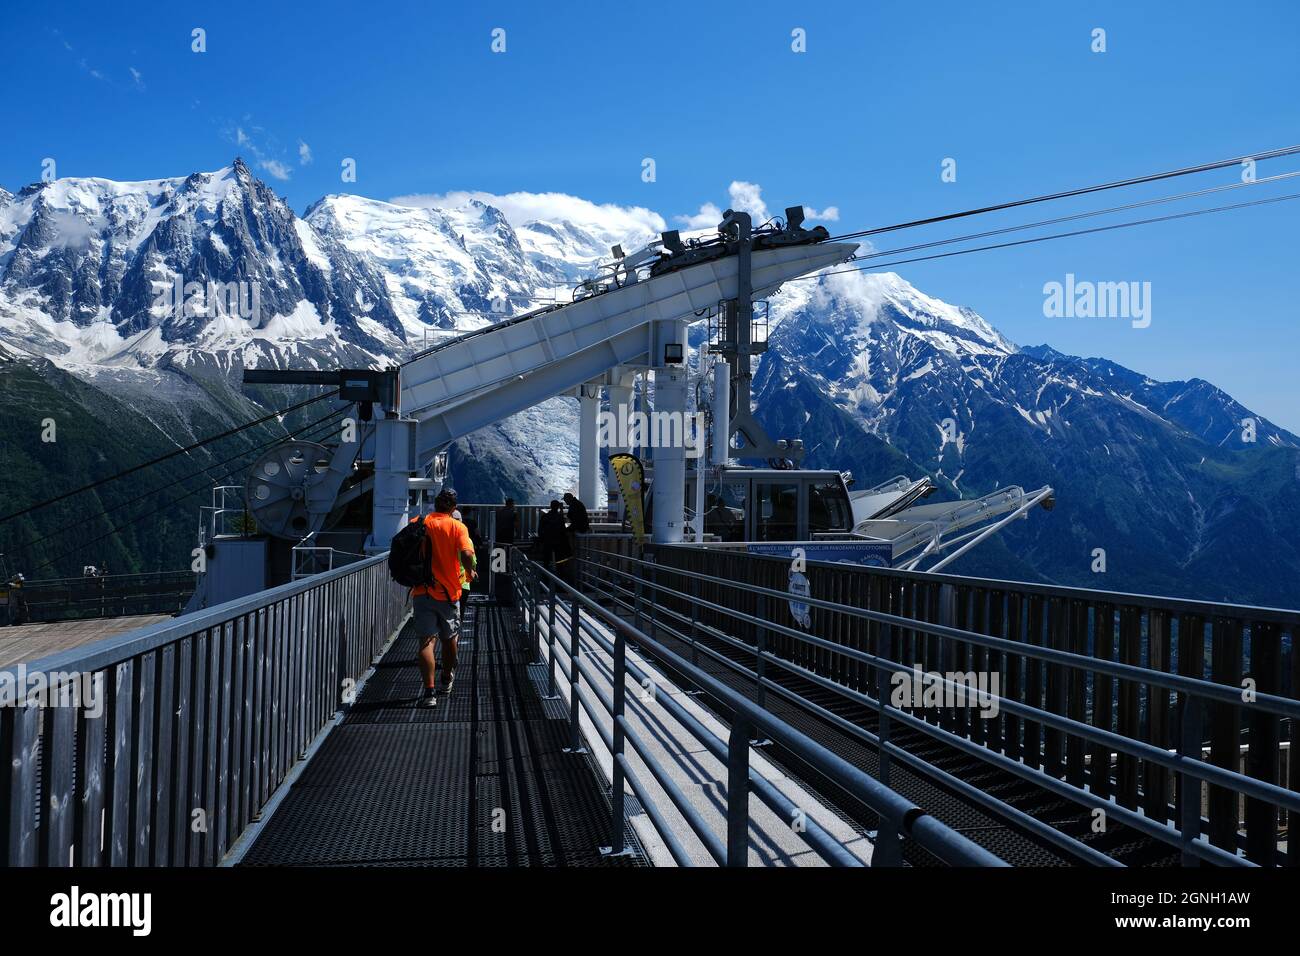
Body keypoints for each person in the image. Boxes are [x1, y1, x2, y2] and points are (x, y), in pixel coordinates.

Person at [409, 488, 476, 708]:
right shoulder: (457, 527)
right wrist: (470, 571)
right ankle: (446, 678)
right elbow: (467, 554)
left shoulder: (419, 522)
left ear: (435, 506)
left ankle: (429, 694)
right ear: (453, 508)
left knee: (426, 641)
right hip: (448, 593)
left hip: (421, 590)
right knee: (450, 638)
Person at [537, 499, 571, 574]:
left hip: (547, 540)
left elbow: (540, 529)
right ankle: (559, 574)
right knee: (559, 558)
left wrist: (541, 539)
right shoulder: (560, 517)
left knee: (546, 558)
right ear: (558, 507)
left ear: (550, 506)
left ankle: (545, 573)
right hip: (558, 541)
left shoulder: (545, 516)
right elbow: (563, 530)